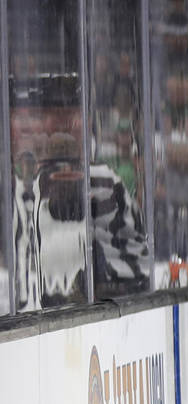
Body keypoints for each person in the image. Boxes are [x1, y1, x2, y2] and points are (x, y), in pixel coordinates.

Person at [9, 73, 149, 311]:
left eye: (69, 115)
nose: (59, 125)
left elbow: (136, 276)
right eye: (49, 116)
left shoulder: (104, 182)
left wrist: (93, 286)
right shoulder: (17, 187)